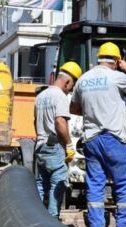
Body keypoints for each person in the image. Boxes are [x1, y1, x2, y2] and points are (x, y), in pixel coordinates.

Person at [70, 42, 126, 227]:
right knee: (123, 183)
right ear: (117, 60)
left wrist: (92, 111)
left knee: (95, 184)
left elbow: (74, 108)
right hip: (114, 138)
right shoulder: (117, 77)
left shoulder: (83, 79)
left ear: (99, 58)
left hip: (92, 139)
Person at [34, 61, 82, 218]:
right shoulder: (60, 96)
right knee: (58, 184)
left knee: (41, 185)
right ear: (67, 81)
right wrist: (69, 144)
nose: (70, 91)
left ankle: (35, 217)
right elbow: (60, 122)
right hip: (55, 148)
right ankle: (53, 220)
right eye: (71, 86)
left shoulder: (41, 96)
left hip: (41, 146)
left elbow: (35, 122)